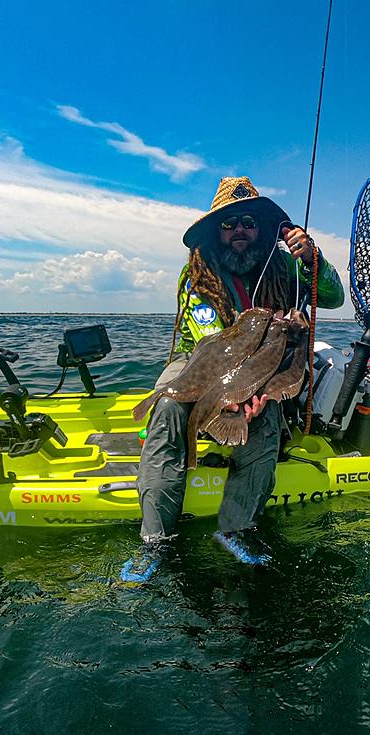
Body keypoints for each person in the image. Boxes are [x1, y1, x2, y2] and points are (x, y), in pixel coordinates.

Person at [123, 177, 344, 580]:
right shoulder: (197, 274)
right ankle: (153, 540)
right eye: (228, 224)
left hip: (272, 363)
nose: (238, 230)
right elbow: (208, 344)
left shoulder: (287, 266)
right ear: (215, 231)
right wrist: (232, 391)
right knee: (169, 407)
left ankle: (236, 529)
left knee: (264, 418)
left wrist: (315, 261)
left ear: (261, 227)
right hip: (204, 359)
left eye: (247, 221)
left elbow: (331, 297)